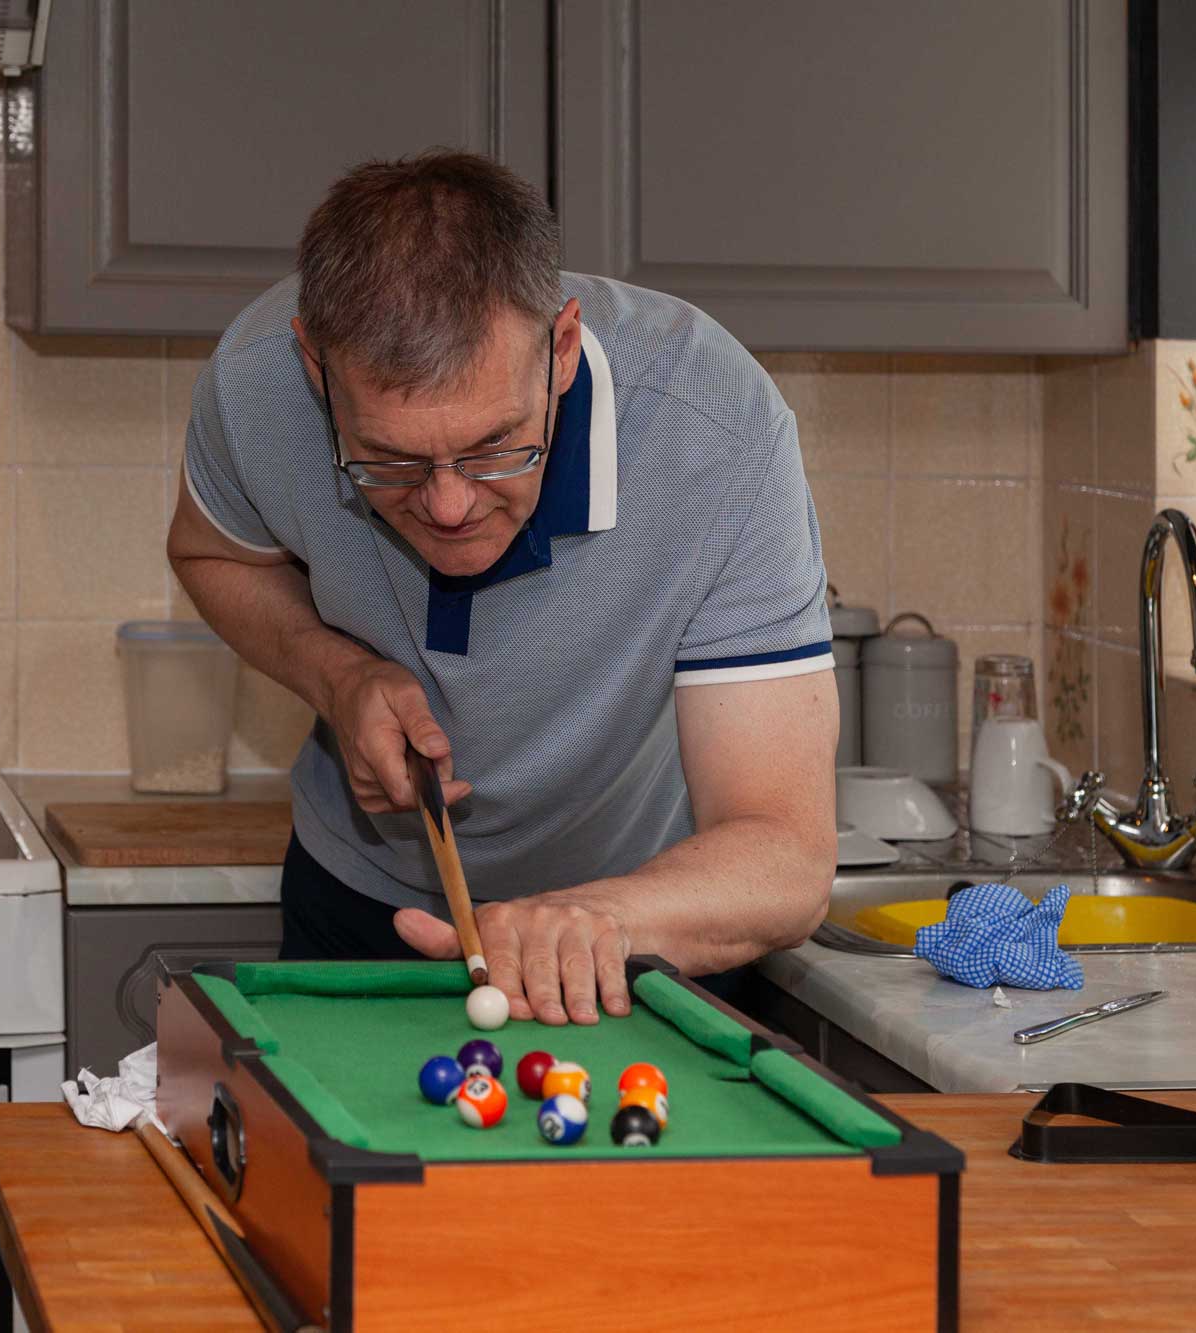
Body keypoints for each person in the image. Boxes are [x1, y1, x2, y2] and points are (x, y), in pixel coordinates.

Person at [166, 150, 836, 1026]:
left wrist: (594, 918)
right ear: (313, 368)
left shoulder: (716, 429)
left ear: (560, 348)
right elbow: (212, 556)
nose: (447, 506)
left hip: (642, 924)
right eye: (391, 460)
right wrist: (338, 676)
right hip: (365, 907)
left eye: (495, 447)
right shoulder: (252, 389)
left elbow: (784, 856)